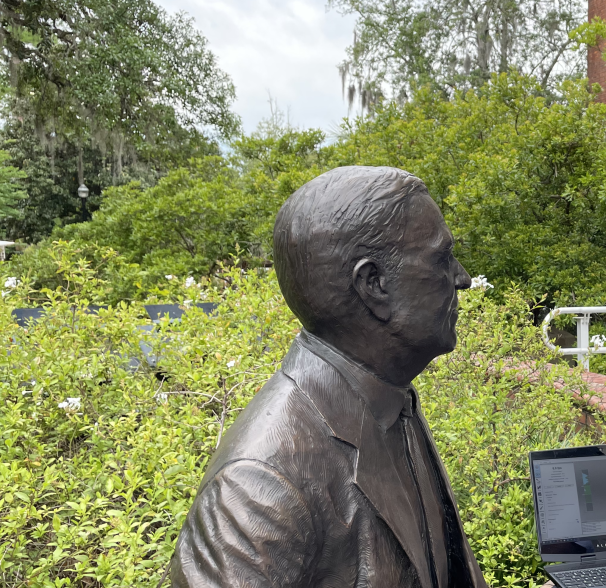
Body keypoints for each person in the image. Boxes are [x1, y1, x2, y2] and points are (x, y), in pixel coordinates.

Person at [169, 166, 487, 588]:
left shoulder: (391, 400)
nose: (462, 278)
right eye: (441, 259)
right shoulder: (258, 485)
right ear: (374, 284)